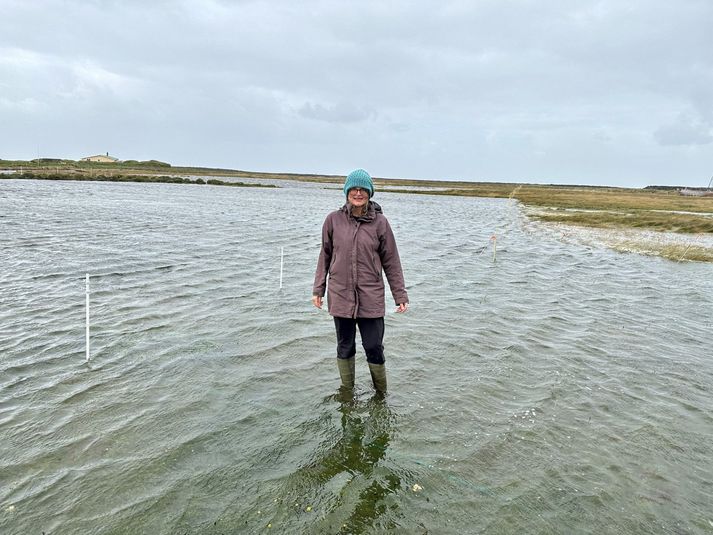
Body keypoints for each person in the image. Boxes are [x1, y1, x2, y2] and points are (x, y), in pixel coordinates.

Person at [312, 169, 409, 394]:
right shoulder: (332, 220)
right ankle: (348, 394)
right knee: (345, 347)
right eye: (354, 189)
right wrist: (319, 289)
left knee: (374, 347)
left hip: (371, 296)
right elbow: (324, 255)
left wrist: (400, 294)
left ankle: (380, 395)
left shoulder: (381, 223)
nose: (358, 193)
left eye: (363, 189)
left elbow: (392, 261)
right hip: (341, 295)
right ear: (347, 192)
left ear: (369, 193)